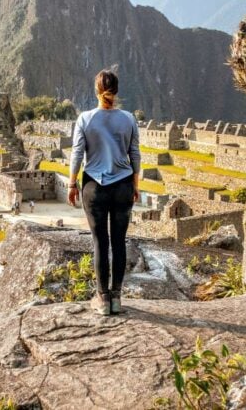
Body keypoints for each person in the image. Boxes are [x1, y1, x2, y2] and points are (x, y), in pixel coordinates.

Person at [67, 69, 140, 316]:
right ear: (116, 90)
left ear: (96, 90)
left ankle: (102, 298)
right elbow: (135, 154)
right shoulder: (129, 118)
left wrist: (71, 183)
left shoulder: (85, 119)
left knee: (101, 242)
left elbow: (77, 153)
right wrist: (136, 185)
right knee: (119, 242)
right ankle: (117, 297)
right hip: (123, 186)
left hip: (94, 188)